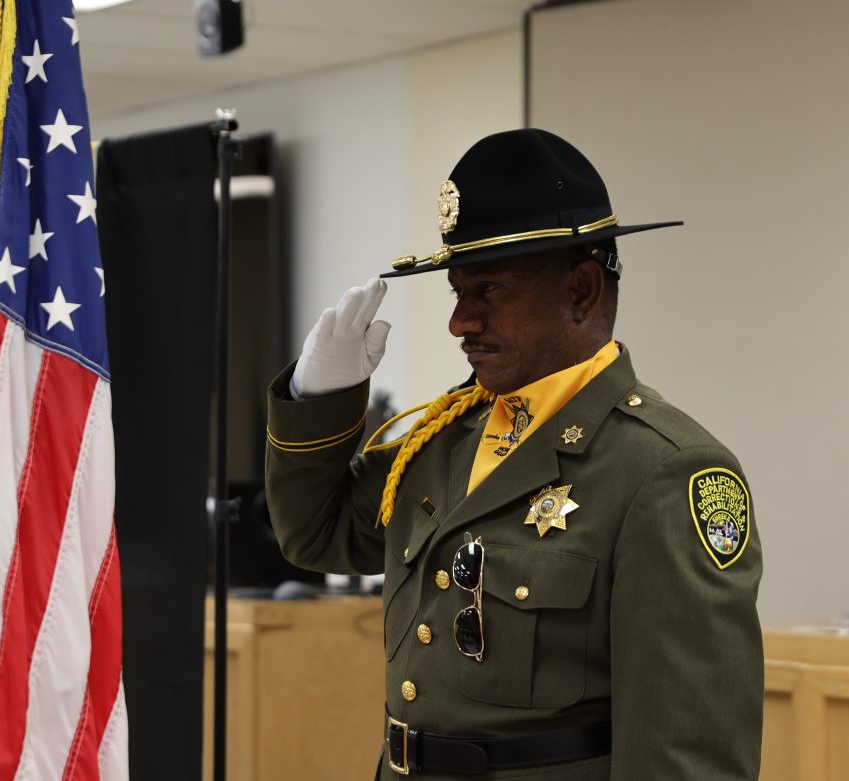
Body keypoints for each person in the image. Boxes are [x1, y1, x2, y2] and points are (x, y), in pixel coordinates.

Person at [265, 129, 763, 779]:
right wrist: (318, 397)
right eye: (457, 293)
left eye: (489, 291)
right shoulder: (444, 439)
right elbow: (315, 534)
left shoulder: (664, 472)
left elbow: (685, 757)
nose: (459, 322)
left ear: (581, 290)